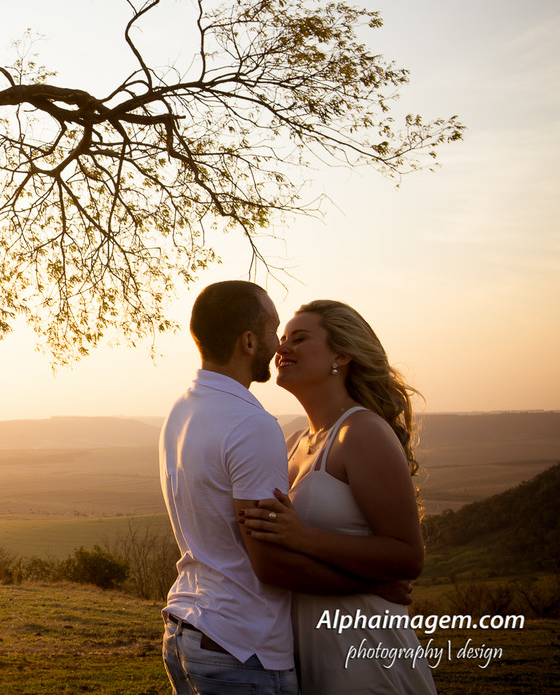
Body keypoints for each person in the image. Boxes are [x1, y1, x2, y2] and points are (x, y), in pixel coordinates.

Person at [160, 282, 394, 695]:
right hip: (242, 648)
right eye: (275, 332)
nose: (280, 346)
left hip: (190, 629)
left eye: (293, 338)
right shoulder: (253, 424)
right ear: (249, 342)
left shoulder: (182, 409)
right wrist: (372, 587)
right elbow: (270, 564)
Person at [240, 300, 436, 694]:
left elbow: (407, 556)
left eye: (299, 338)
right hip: (306, 656)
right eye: (281, 339)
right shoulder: (293, 442)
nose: (282, 348)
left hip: (365, 654)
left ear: (342, 354)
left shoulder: (362, 432)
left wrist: (303, 537)